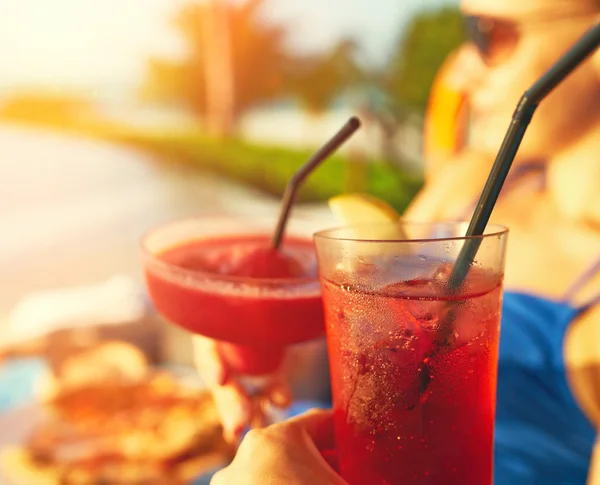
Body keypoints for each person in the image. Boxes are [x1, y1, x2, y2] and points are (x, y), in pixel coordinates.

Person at [200, 0, 600, 483]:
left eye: (489, 34)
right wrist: (281, 343)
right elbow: (381, 306)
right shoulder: (469, 182)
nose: (460, 71)